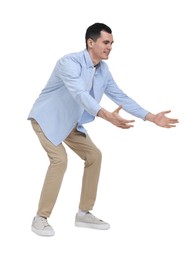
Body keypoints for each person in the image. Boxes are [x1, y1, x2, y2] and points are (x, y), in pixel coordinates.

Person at [27, 22, 179, 236]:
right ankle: (40, 218)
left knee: (94, 156)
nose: (110, 47)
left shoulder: (103, 70)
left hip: (71, 123)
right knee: (60, 160)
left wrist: (151, 117)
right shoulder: (68, 63)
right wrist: (106, 115)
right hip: (47, 119)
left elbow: (120, 96)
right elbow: (80, 94)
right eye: (105, 42)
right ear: (91, 42)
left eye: (111, 43)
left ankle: (83, 214)